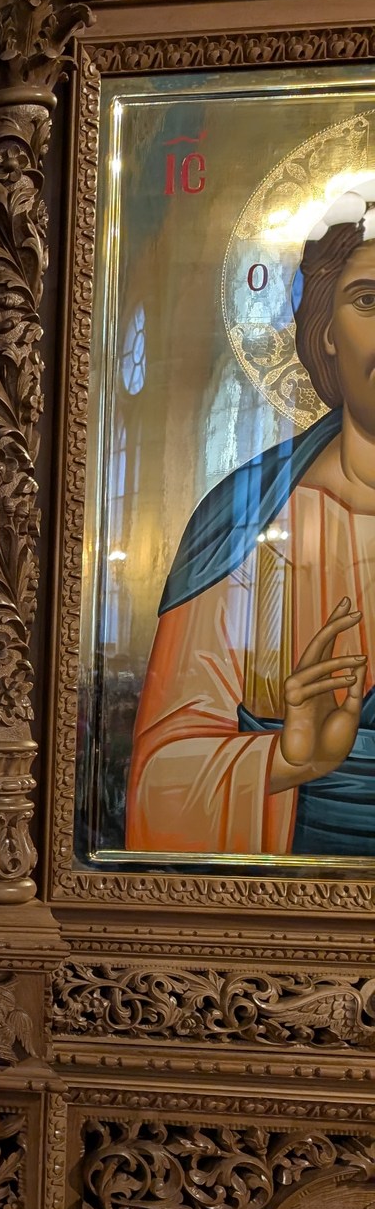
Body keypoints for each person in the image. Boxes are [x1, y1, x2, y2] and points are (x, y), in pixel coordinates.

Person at [131, 179, 375, 855]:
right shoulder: (245, 524)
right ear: (325, 329)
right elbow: (159, 781)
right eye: (370, 300)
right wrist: (285, 760)